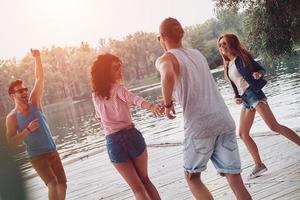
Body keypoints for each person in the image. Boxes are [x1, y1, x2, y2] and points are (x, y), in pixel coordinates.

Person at [155, 17, 252, 200]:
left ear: (161, 37)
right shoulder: (196, 54)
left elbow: (167, 75)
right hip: (223, 120)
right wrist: (170, 98)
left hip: (200, 127)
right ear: (181, 33)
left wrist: (167, 105)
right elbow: (190, 86)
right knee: (235, 180)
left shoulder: (165, 58)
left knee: (192, 177)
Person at [217, 33, 300, 179]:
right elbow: (238, 84)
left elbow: (260, 69)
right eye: (220, 45)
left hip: (254, 94)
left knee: (274, 126)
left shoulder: (242, 56)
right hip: (246, 99)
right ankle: (259, 165)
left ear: (231, 44)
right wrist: (236, 97)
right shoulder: (228, 64)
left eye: (224, 43)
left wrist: (257, 74)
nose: (222, 47)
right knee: (243, 133)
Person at [90, 53, 162, 200]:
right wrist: (152, 107)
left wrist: (105, 117)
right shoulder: (118, 89)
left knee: (137, 189)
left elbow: (99, 117)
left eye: (120, 66)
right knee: (145, 181)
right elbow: (134, 99)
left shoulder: (95, 95)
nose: (120, 70)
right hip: (131, 137)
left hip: (113, 142)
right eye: (116, 68)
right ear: (106, 71)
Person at [6, 49, 67, 200]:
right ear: (12, 96)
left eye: (25, 89)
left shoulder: (34, 101)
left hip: (52, 151)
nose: (25, 92)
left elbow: (39, 78)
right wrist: (27, 130)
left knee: (63, 184)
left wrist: (38, 58)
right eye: (20, 91)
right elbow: (11, 142)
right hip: (37, 156)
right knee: (52, 183)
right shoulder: (12, 118)